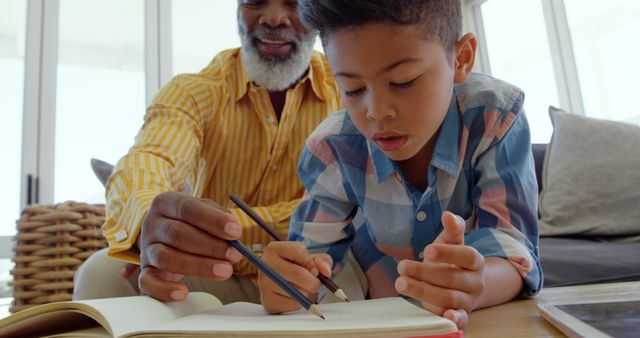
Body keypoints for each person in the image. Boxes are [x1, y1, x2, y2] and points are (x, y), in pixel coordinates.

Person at [258, 0, 542, 328]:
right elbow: (308, 266)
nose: (377, 111)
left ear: (461, 58)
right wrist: (289, 285)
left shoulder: (495, 116)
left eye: (404, 81)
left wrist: (476, 283)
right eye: (352, 88)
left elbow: (515, 253)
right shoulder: (332, 150)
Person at [73, 0, 342, 304]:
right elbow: (149, 161)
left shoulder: (348, 89)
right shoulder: (195, 92)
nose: (273, 18)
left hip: (314, 272)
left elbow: (341, 211)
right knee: (101, 274)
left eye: (292, 3)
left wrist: (222, 224)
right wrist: (152, 222)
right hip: (215, 272)